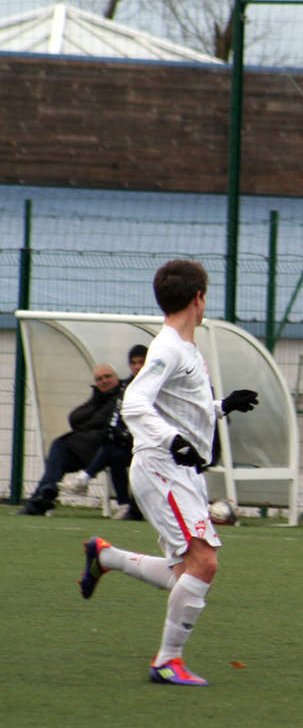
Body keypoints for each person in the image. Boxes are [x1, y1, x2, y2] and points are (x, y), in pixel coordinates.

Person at [76, 259, 259, 686]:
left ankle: (107, 556)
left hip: (179, 470)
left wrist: (220, 407)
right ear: (199, 298)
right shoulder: (168, 348)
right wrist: (173, 440)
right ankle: (167, 660)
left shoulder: (182, 348)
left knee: (186, 571)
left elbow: (178, 407)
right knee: (205, 562)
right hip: (163, 467)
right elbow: (136, 403)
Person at [17, 363, 123, 515]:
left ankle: (41, 497)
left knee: (59, 447)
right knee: (58, 448)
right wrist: (94, 409)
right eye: (99, 379)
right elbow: (74, 418)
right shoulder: (98, 398)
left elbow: (100, 420)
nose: (104, 381)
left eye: (108, 376)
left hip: (102, 450)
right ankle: (44, 495)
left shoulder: (120, 397)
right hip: (83, 448)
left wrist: (87, 422)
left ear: (116, 378)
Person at [60, 343, 149, 520]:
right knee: (113, 452)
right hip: (131, 445)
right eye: (134, 363)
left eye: (141, 362)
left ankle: (84, 478)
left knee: (112, 450)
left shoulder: (155, 383)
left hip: (152, 446)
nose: (137, 367)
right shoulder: (126, 387)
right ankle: (124, 506)